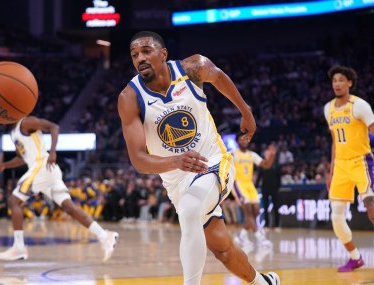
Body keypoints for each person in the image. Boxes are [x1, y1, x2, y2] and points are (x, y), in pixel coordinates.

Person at [118, 31, 279, 285]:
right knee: (223, 250)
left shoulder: (193, 68)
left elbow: (219, 77)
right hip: (177, 181)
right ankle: (263, 282)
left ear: (163, 54)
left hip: (213, 161)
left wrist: (245, 111)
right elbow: (138, 160)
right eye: (134, 55)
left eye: (146, 51)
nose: (140, 58)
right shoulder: (130, 98)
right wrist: (175, 161)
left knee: (191, 210)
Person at [0, 116, 118, 261]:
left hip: (41, 166)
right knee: (69, 207)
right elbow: (22, 158)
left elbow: (54, 127)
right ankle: (105, 236)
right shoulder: (13, 133)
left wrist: (53, 152)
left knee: (14, 201)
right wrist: (5, 165)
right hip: (46, 172)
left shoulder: (27, 122)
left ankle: (19, 247)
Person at [324, 65, 374, 272]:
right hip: (341, 166)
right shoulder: (328, 108)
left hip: (361, 162)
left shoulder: (360, 105)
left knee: (372, 207)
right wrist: (331, 169)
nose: (337, 84)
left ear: (350, 83)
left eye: (341, 80)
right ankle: (355, 258)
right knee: (336, 215)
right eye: (334, 80)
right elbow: (335, 141)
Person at [231, 135, 276, 249]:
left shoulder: (252, 154)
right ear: (237, 141)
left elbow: (266, 165)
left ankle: (242, 235)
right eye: (242, 139)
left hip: (249, 184)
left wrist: (272, 155)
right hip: (238, 184)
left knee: (256, 211)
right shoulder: (233, 153)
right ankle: (260, 238)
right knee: (248, 212)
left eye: (246, 139)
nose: (245, 141)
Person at [256, 154, 281, 231]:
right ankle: (266, 225)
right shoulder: (262, 165)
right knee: (266, 207)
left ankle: (277, 225)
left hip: (274, 189)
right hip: (265, 189)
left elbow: (279, 177)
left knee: (276, 207)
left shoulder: (277, 165)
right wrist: (255, 186)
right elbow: (259, 177)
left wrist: (278, 187)